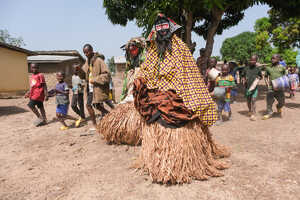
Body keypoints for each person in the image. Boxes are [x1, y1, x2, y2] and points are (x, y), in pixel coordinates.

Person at [132, 13, 229, 184]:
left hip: (180, 91)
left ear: (170, 29)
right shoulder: (153, 50)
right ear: (155, 31)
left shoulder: (181, 47)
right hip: (158, 92)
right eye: (158, 28)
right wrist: (141, 79)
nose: (162, 31)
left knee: (181, 111)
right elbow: (147, 70)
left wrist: (181, 90)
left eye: (164, 28)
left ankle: (182, 165)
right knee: (152, 109)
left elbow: (189, 72)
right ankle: (158, 164)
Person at [78, 44, 111, 130]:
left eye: (87, 52)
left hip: (97, 89)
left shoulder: (99, 61)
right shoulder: (87, 62)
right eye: (84, 52)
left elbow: (107, 75)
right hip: (90, 88)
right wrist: (79, 71)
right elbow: (83, 76)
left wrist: (95, 79)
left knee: (94, 105)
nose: (86, 54)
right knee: (91, 105)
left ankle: (110, 117)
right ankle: (97, 124)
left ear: (92, 50)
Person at [263, 54, 286, 120]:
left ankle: (278, 107)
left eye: (274, 58)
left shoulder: (282, 67)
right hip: (271, 88)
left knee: (282, 102)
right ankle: (269, 113)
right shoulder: (268, 68)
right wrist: (267, 85)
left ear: (278, 59)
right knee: (269, 102)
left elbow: (285, 77)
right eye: (271, 58)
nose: (272, 60)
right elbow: (265, 77)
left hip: (280, 88)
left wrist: (284, 85)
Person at [241, 55, 262, 121]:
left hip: (254, 88)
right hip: (247, 88)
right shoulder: (246, 68)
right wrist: (244, 80)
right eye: (251, 60)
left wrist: (258, 78)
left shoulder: (258, 69)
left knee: (253, 100)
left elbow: (260, 76)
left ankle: (254, 114)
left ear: (256, 61)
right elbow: (243, 76)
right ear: (249, 60)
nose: (252, 61)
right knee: (248, 101)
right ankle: (250, 110)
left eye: (254, 60)